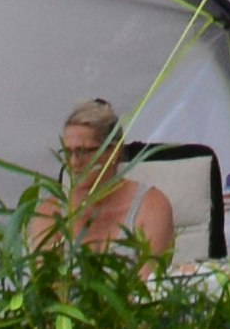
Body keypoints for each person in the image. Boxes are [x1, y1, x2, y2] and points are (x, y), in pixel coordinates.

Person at [35, 97, 180, 263]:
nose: (74, 162)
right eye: (68, 152)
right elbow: (46, 283)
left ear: (113, 152)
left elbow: (150, 282)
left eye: (83, 151)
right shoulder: (50, 212)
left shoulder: (151, 206)